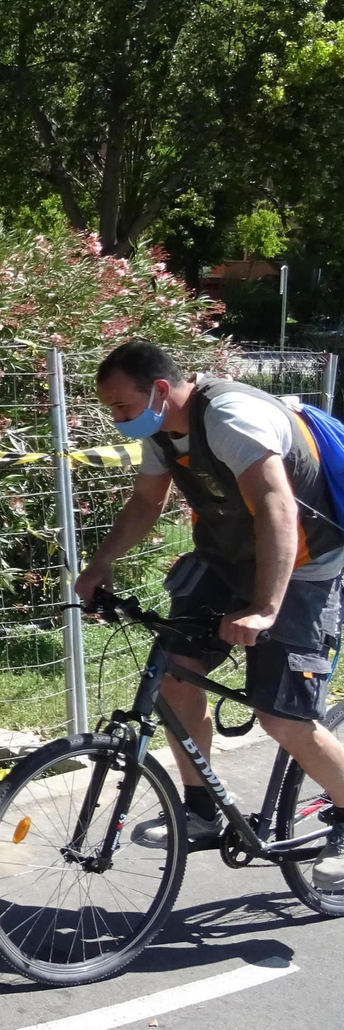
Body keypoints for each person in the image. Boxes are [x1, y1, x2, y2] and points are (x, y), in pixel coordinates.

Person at [74, 339, 344, 888]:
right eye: (112, 410)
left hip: (306, 565)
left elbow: (277, 508)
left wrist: (266, 607)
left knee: (284, 719)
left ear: (160, 389)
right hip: (226, 558)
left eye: (123, 407)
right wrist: (100, 564)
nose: (118, 419)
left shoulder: (230, 417)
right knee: (176, 672)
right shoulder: (162, 431)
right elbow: (147, 502)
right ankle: (201, 808)